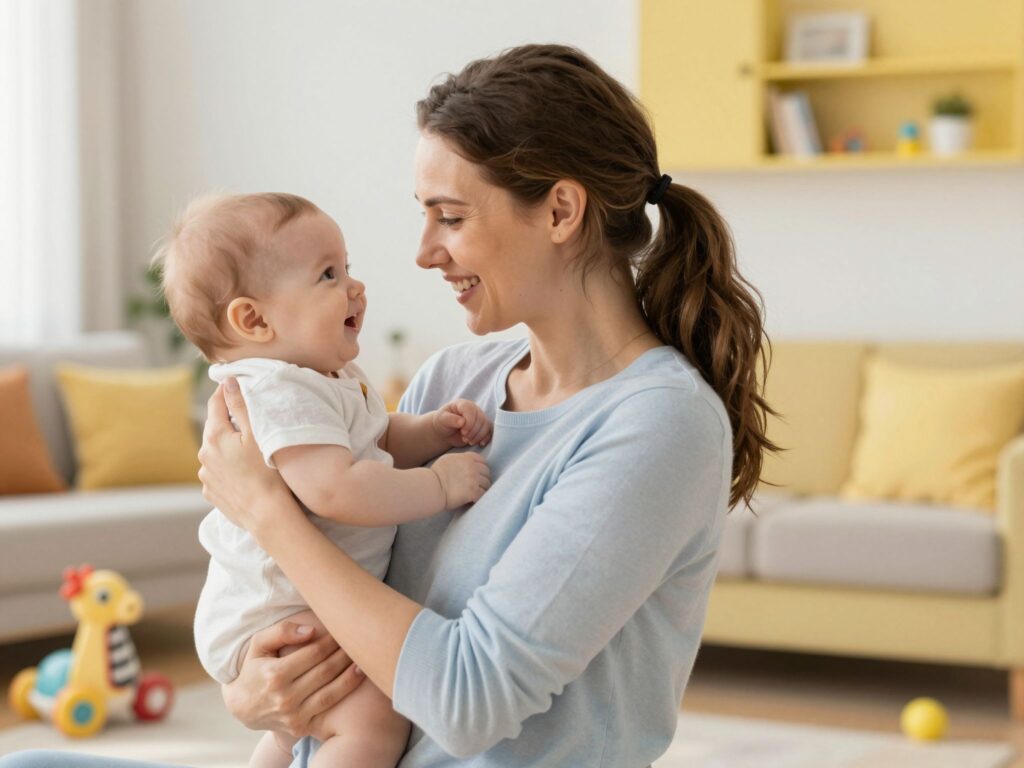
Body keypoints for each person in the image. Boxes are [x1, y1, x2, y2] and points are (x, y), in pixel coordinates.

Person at [0, 43, 775, 768]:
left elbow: (468, 700)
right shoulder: (454, 383)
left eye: (452, 217)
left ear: (561, 212)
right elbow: (332, 607)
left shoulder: (658, 425)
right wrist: (255, 693)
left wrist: (265, 510)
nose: (424, 251)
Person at [159, 193, 493, 768]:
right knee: (371, 719)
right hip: (275, 610)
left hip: (293, 602)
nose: (355, 287)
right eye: (328, 274)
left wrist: (431, 430)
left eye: (347, 266)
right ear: (254, 320)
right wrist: (439, 486)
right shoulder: (278, 389)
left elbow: (374, 444)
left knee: (297, 728)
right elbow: (337, 489)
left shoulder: (324, 377)